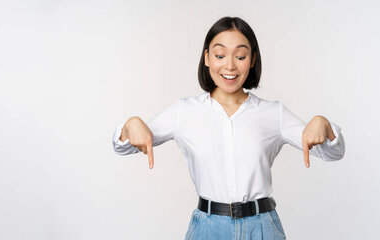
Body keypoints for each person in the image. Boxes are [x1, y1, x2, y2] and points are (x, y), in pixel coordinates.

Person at [112, 16, 345, 240]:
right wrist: (130, 125)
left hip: (262, 228)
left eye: (240, 56)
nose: (230, 65)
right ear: (207, 58)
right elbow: (124, 146)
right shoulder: (184, 111)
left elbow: (333, 152)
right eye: (220, 55)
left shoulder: (274, 114)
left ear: (252, 59)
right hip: (208, 229)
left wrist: (324, 125)